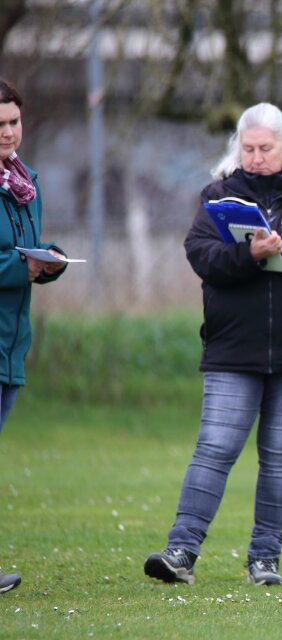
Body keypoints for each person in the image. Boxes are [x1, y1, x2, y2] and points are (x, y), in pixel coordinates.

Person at [144, 103, 282, 587]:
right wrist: (249, 254)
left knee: (280, 455)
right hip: (233, 349)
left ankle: (265, 559)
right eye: (248, 148)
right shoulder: (217, 197)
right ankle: (181, 551)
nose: (256, 157)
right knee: (215, 448)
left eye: (265, 148)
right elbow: (201, 256)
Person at [0, 79, 70, 595]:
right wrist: (19, 268)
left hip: (10, 343)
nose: (8, 133)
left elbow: (24, 251)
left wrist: (48, 262)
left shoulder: (26, 184)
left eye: (13, 122)